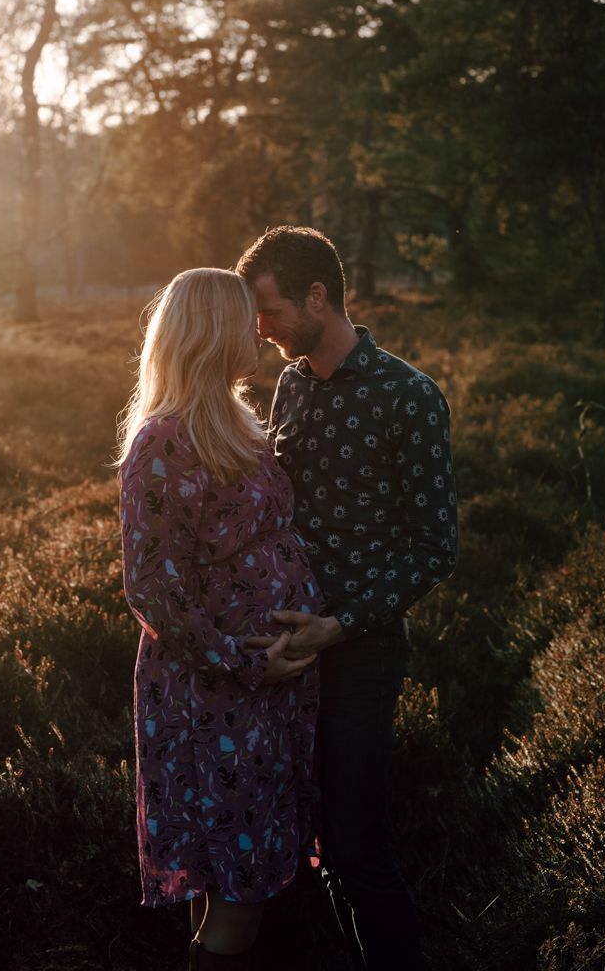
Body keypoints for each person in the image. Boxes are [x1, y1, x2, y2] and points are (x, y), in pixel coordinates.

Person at [236, 226, 458, 971]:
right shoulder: (292, 383)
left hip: (361, 653)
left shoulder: (409, 396)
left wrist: (337, 625)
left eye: (269, 313)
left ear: (317, 297)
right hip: (288, 650)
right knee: (316, 845)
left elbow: (435, 547)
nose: (260, 330)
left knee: (359, 847)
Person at [117, 267, 323, 971]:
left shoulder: (238, 421)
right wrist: (246, 660)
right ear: (212, 332)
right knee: (239, 889)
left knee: (228, 878)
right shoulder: (161, 441)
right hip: (212, 695)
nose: (258, 334)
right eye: (244, 320)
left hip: (265, 691)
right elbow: (151, 588)